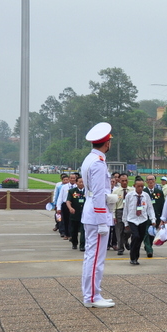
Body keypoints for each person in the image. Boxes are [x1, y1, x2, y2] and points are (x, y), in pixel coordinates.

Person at [80, 122, 117, 308]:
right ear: (106, 143)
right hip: (97, 215)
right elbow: (97, 194)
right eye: (109, 141)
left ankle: (93, 294)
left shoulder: (90, 159)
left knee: (92, 257)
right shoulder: (98, 163)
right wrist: (104, 220)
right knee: (95, 259)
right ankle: (92, 297)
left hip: (92, 213)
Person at [123, 176, 157, 266]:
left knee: (140, 239)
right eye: (138, 186)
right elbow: (125, 209)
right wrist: (125, 222)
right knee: (136, 236)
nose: (140, 188)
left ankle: (136, 257)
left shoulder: (146, 196)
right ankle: (132, 257)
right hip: (132, 219)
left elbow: (150, 208)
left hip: (143, 219)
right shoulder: (129, 195)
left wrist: (153, 219)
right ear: (134, 186)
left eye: (142, 186)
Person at [143, 175, 165, 258]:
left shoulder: (159, 192)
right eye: (148, 180)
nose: (150, 181)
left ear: (155, 181)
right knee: (146, 233)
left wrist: (162, 217)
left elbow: (162, 204)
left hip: (156, 216)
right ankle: (149, 250)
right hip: (145, 216)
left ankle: (148, 246)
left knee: (152, 233)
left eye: (152, 179)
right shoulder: (144, 192)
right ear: (146, 181)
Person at [111, 173, 131, 256]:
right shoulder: (116, 191)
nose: (124, 182)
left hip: (129, 212)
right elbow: (113, 204)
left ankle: (125, 240)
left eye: (126, 180)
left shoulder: (132, 191)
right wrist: (113, 216)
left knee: (128, 230)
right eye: (122, 181)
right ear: (119, 181)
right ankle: (120, 248)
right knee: (119, 230)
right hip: (119, 211)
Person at [66, 175, 86, 251]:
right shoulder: (72, 191)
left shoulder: (87, 191)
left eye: (83, 182)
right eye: (80, 182)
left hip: (84, 214)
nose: (81, 183)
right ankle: (74, 243)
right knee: (74, 230)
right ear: (76, 183)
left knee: (83, 230)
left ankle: (82, 245)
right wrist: (70, 208)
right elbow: (68, 201)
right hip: (75, 213)